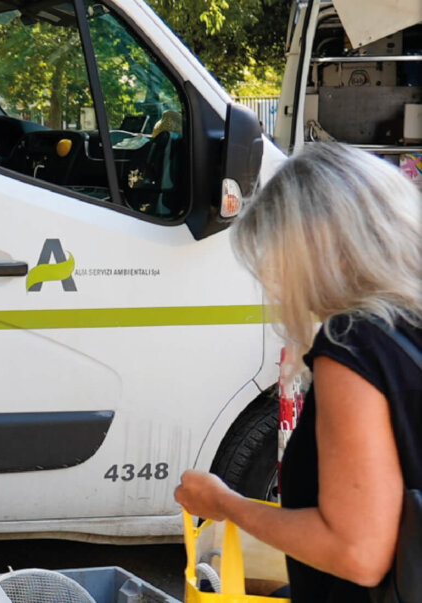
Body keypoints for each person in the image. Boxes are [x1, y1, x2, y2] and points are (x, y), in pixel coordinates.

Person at [175, 143, 422, 602]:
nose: (276, 281)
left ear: (314, 252)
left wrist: (225, 503)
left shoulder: (355, 340)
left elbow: (357, 553)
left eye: (275, 261)